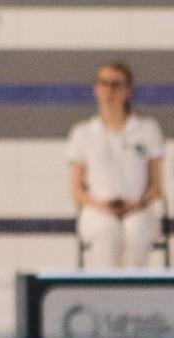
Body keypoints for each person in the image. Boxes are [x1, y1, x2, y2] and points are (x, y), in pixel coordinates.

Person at [66, 61, 165, 268]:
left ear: (128, 90)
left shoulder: (148, 129)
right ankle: (106, 288)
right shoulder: (82, 133)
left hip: (139, 209)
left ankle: (134, 288)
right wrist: (100, 205)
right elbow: (77, 190)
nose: (109, 90)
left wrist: (137, 204)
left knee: (135, 231)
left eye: (115, 85)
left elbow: (156, 187)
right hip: (97, 210)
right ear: (96, 89)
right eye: (104, 83)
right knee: (107, 231)